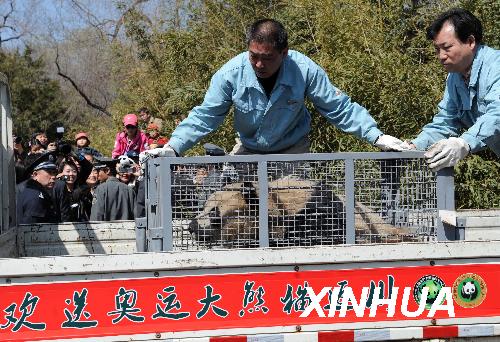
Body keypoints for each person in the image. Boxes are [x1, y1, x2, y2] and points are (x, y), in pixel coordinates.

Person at [142, 19, 405, 158]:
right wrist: (173, 147)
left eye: (267, 58)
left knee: (289, 217)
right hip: (249, 149)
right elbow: (206, 115)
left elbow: (337, 107)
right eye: (253, 55)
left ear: (284, 52)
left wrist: (376, 137)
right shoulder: (230, 74)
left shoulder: (304, 70)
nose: (258, 64)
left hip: (293, 150)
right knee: (233, 208)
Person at [408, 8, 500, 171]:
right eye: (437, 49)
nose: (441, 56)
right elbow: (446, 120)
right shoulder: (455, 77)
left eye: (447, 47)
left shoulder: (496, 66)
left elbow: (497, 114)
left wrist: (463, 142)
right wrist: (413, 146)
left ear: (470, 42)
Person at [16, 152, 58, 224]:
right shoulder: (35, 196)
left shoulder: (27, 188)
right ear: (35, 174)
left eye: (54, 172)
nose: (54, 176)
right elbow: (31, 231)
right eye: (49, 172)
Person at [90, 157, 136, 221]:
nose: (97, 175)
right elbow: (136, 216)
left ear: (107, 171)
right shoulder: (129, 190)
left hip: (105, 230)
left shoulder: (100, 189)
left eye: (98, 171)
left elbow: (96, 217)